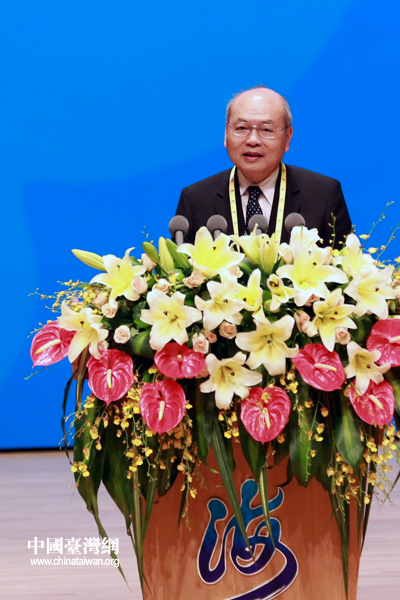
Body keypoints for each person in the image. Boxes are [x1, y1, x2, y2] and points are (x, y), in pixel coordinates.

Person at [175, 86, 351, 246]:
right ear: (226, 134)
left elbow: (342, 264)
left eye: (266, 130)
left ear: (288, 137)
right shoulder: (196, 199)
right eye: (242, 128)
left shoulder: (324, 195)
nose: (253, 140)